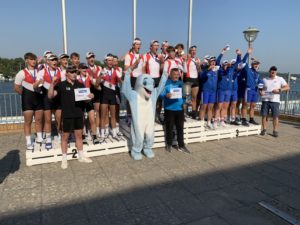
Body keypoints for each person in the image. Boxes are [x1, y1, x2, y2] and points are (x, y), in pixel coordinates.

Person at [48, 65, 93, 169]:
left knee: (79, 136)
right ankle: (64, 158)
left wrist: (90, 97)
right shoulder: (61, 85)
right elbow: (50, 95)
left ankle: (81, 156)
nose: (74, 74)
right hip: (67, 115)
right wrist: (51, 84)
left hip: (78, 114)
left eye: (75, 72)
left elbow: (86, 100)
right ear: (66, 73)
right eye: (72, 72)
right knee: (65, 137)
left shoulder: (80, 84)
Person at [14, 52, 44, 150]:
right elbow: (17, 87)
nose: (33, 61)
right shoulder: (21, 73)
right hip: (27, 100)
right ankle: (28, 141)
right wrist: (25, 95)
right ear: (26, 60)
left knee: (39, 120)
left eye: (34, 59)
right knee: (28, 122)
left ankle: (39, 138)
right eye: (31, 59)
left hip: (38, 98)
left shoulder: (39, 71)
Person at [160, 68, 190, 153]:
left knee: (180, 128)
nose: (176, 76)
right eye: (174, 74)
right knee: (169, 127)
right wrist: (166, 95)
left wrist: (187, 100)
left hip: (180, 109)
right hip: (169, 109)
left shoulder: (181, 83)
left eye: (177, 75)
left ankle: (181, 145)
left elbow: (185, 95)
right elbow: (161, 95)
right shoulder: (166, 83)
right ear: (170, 75)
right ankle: (169, 144)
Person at [259, 66, 289, 137]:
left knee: (275, 116)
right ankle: (264, 129)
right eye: (272, 70)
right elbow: (260, 89)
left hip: (275, 101)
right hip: (265, 100)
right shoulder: (264, 79)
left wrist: (279, 90)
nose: (273, 71)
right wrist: (260, 92)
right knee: (264, 116)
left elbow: (287, 87)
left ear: (276, 72)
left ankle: (275, 131)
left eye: (274, 70)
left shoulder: (280, 79)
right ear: (269, 71)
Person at [99, 54, 122, 142]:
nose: (111, 62)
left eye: (112, 60)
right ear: (105, 61)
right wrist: (100, 76)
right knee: (103, 116)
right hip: (104, 95)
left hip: (113, 95)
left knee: (113, 116)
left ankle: (115, 133)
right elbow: (97, 84)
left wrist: (121, 78)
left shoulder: (116, 71)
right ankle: (102, 135)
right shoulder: (102, 71)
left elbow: (121, 82)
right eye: (109, 60)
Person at [77, 63, 99, 144]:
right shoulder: (76, 78)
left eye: (86, 68)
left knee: (92, 119)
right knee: (81, 120)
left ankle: (94, 136)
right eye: (83, 68)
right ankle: (83, 136)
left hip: (89, 100)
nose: (85, 69)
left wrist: (93, 94)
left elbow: (96, 85)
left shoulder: (89, 77)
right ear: (79, 69)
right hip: (80, 101)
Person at [124, 37, 144, 125]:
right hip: (131, 78)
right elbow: (126, 69)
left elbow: (143, 69)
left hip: (139, 79)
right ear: (133, 45)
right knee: (130, 98)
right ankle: (129, 115)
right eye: (137, 44)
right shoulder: (128, 56)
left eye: (140, 44)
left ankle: (137, 115)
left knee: (139, 98)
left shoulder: (141, 56)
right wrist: (135, 63)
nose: (138, 46)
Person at [241, 47, 263, 126]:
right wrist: (248, 53)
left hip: (255, 90)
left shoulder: (257, 73)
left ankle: (251, 119)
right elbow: (243, 61)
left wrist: (261, 90)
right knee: (245, 104)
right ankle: (243, 119)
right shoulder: (248, 69)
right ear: (252, 64)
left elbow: (260, 82)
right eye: (254, 64)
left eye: (257, 64)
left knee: (253, 105)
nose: (256, 65)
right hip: (249, 89)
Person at [143, 40, 163, 123]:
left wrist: (162, 63)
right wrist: (145, 79)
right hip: (149, 80)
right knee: (148, 100)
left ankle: (157, 116)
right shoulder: (146, 56)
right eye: (155, 45)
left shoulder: (159, 56)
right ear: (150, 47)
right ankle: (148, 117)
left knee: (159, 100)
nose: (156, 47)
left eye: (157, 45)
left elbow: (162, 69)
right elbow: (143, 68)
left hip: (158, 79)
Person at [198, 56, 219, 129]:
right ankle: (201, 121)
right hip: (206, 91)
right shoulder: (205, 69)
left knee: (210, 107)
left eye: (214, 61)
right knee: (204, 106)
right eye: (212, 61)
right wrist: (207, 70)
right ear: (209, 62)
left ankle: (209, 122)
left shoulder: (216, 70)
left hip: (213, 92)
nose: (213, 62)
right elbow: (201, 77)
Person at [86, 52, 102, 137]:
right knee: (89, 112)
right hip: (88, 92)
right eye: (89, 58)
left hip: (97, 92)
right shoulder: (85, 69)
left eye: (93, 57)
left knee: (97, 111)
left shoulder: (99, 68)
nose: (91, 59)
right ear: (87, 59)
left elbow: (98, 82)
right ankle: (89, 129)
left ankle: (97, 129)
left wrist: (96, 80)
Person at [184, 45, 201, 118]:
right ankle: (185, 112)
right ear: (189, 51)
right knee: (186, 97)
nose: (194, 51)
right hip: (188, 79)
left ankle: (194, 113)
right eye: (192, 50)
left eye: (195, 50)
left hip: (195, 80)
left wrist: (198, 65)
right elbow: (184, 69)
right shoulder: (187, 58)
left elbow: (199, 70)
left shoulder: (197, 59)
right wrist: (187, 59)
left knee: (194, 97)